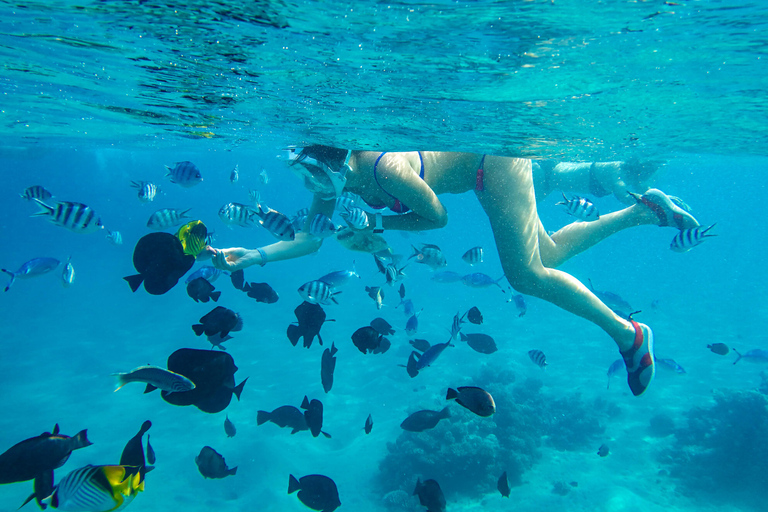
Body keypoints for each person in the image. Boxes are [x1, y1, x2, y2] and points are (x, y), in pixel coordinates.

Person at [209, 147, 700, 397]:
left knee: (527, 275)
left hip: (494, 163)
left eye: (316, 176)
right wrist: (253, 256)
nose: (314, 187)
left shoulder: (383, 170)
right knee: (543, 257)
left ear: (336, 163)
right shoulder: (330, 173)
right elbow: (310, 237)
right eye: (305, 175)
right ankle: (641, 212)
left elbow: (437, 217)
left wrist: (376, 224)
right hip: (485, 172)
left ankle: (630, 334)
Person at [532, 158, 663, 205]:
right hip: (544, 174)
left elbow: (644, 189)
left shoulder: (627, 176)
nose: (653, 180)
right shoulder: (617, 173)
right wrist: (649, 204)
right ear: (641, 171)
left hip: (547, 184)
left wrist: (663, 200)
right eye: (652, 175)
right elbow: (624, 197)